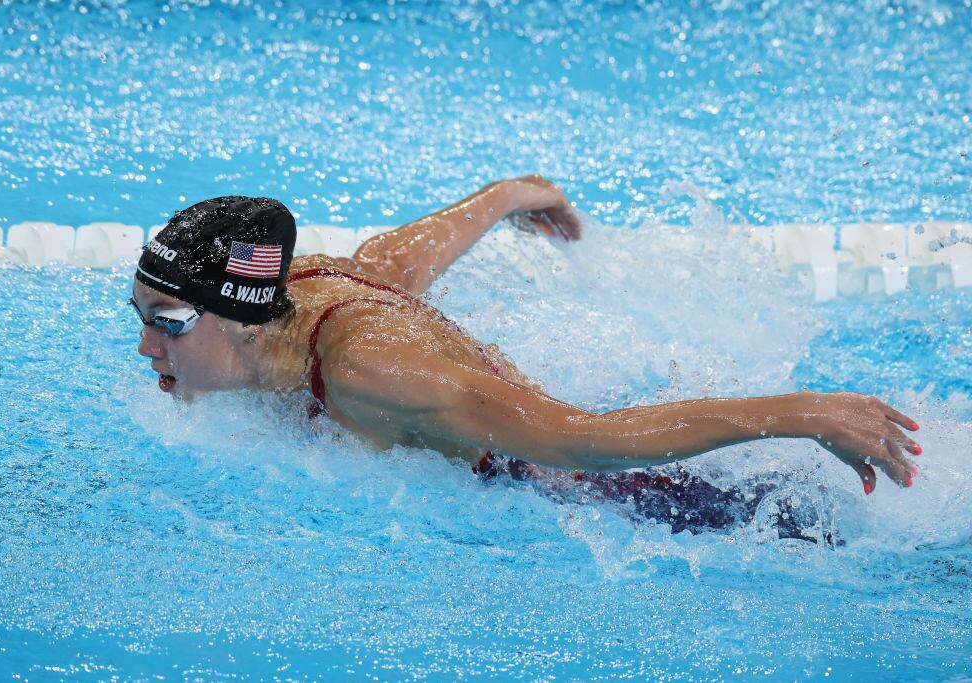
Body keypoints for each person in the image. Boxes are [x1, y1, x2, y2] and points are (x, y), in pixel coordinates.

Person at [130, 176, 922, 539]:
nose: (145, 346)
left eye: (166, 320)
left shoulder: (366, 371)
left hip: (633, 501)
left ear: (238, 322)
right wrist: (510, 195)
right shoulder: (304, 287)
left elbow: (586, 440)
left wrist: (803, 413)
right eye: (139, 317)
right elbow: (396, 261)